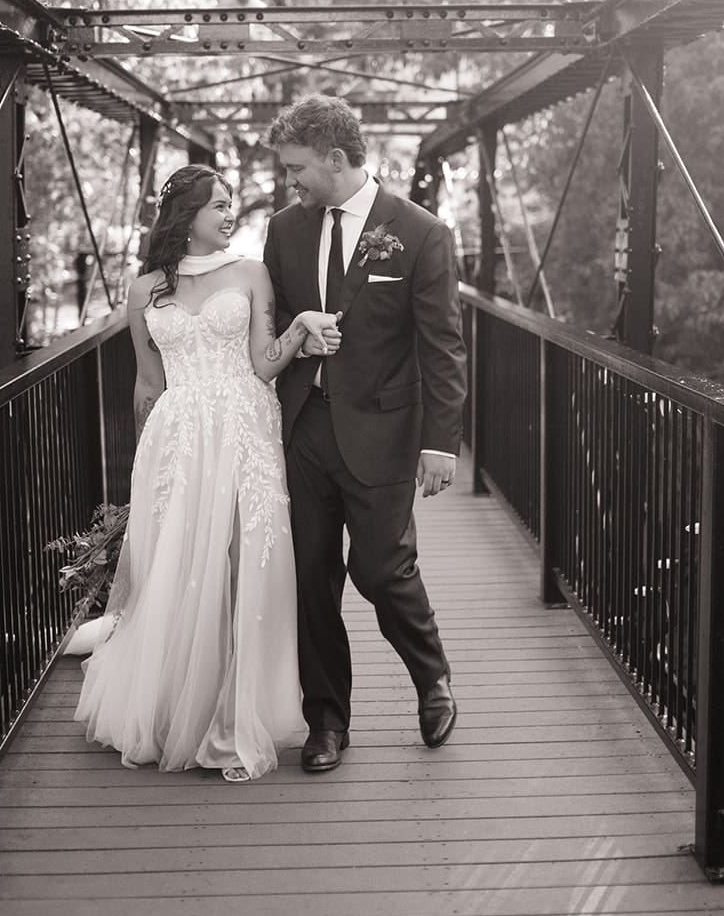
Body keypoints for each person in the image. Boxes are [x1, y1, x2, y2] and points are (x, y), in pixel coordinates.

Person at [74, 164, 340, 782]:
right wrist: (142, 467)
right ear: (184, 216)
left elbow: (264, 364)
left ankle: (232, 717)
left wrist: (300, 329)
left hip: (245, 432)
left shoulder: (250, 273)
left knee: (244, 565)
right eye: (217, 206)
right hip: (177, 440)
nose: (228, 215)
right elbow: (148, 382)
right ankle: (175, 714)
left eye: (229, 206)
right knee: (184, 567)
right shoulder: (143, 290)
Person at [264, 96, 468, 773]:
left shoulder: (419, 232)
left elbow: (442, 346)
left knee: (379, 568)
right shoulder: (283, 230)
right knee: (310, 579)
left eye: (297, 169)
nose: (290, 182)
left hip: (383, 431)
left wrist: (440, 443)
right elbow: (281, 317)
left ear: (335, 158)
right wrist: (299, 331)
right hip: (301, 428)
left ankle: (430, 674)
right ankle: (326, 721)